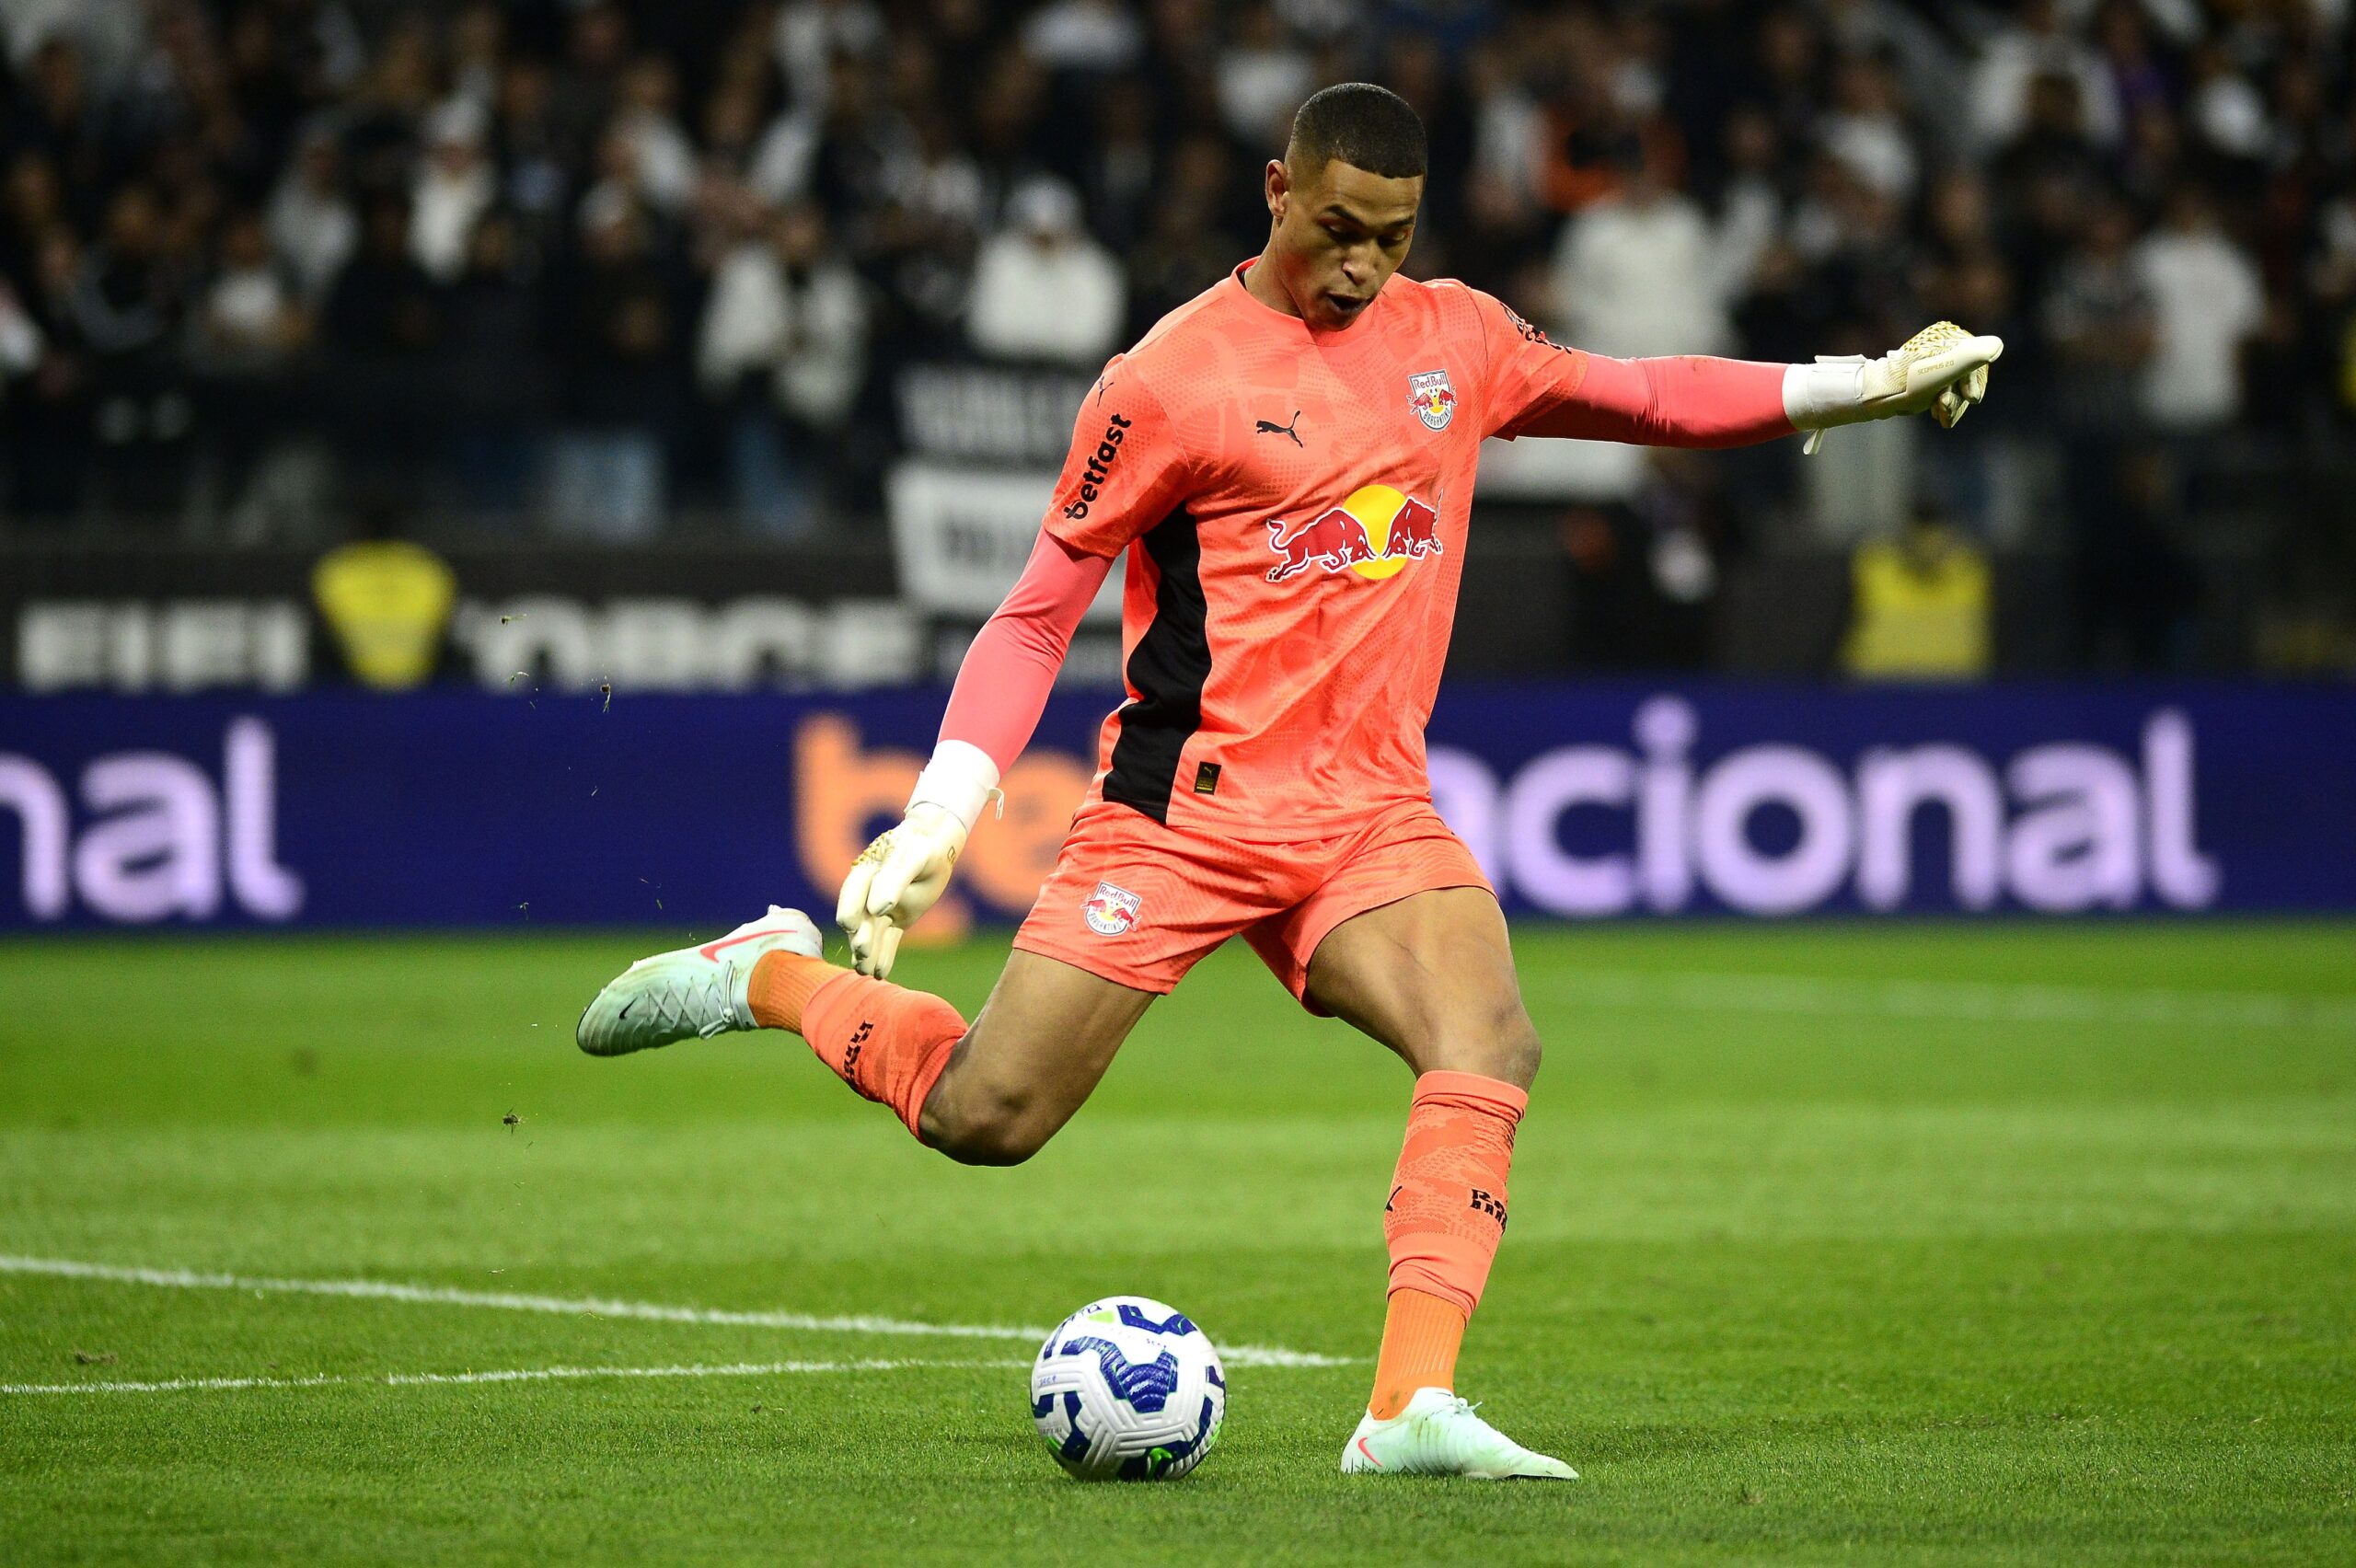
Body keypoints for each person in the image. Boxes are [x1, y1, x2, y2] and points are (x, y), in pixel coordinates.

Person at [575, 84, 1999, 1480]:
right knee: (984, 1117)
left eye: (1393, 235)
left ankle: (1408, 1407)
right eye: (1339, 228)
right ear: (1278, 191)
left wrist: (1868, 383)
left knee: (1487, 1040)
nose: (1364, 264)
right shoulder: (1165, 380)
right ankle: (770, 975)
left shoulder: (1458, 337)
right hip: (1186, 815)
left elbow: (1648, 396)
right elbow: (1037, 610)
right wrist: (944, 810)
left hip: (1369, 811)